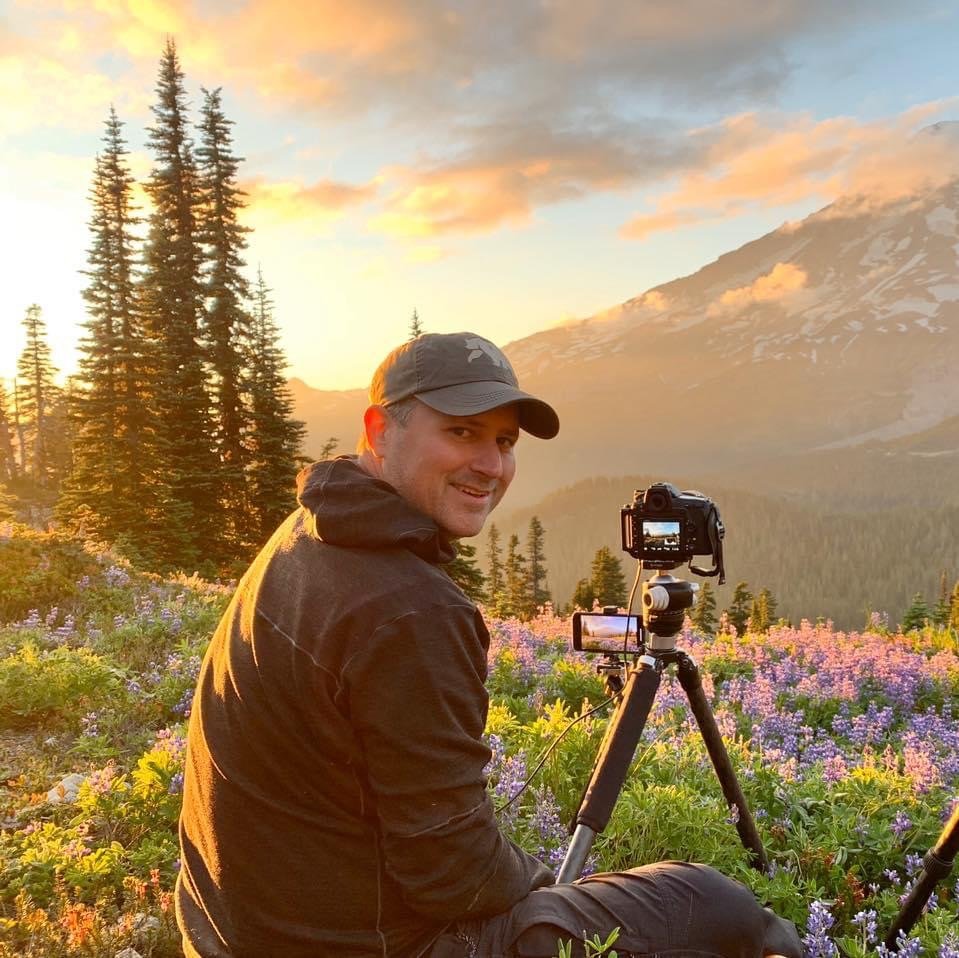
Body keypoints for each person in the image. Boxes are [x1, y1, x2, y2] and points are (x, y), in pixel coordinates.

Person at [175, 331, 801, 958]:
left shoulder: (313, 528)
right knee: (716, 905)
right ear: (379, 429)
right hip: (365, 944)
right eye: (462, 432)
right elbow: (455, 876)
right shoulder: (407, 610)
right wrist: (547, 893)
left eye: (504, 442)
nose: (492, 465)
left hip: (231, 929)